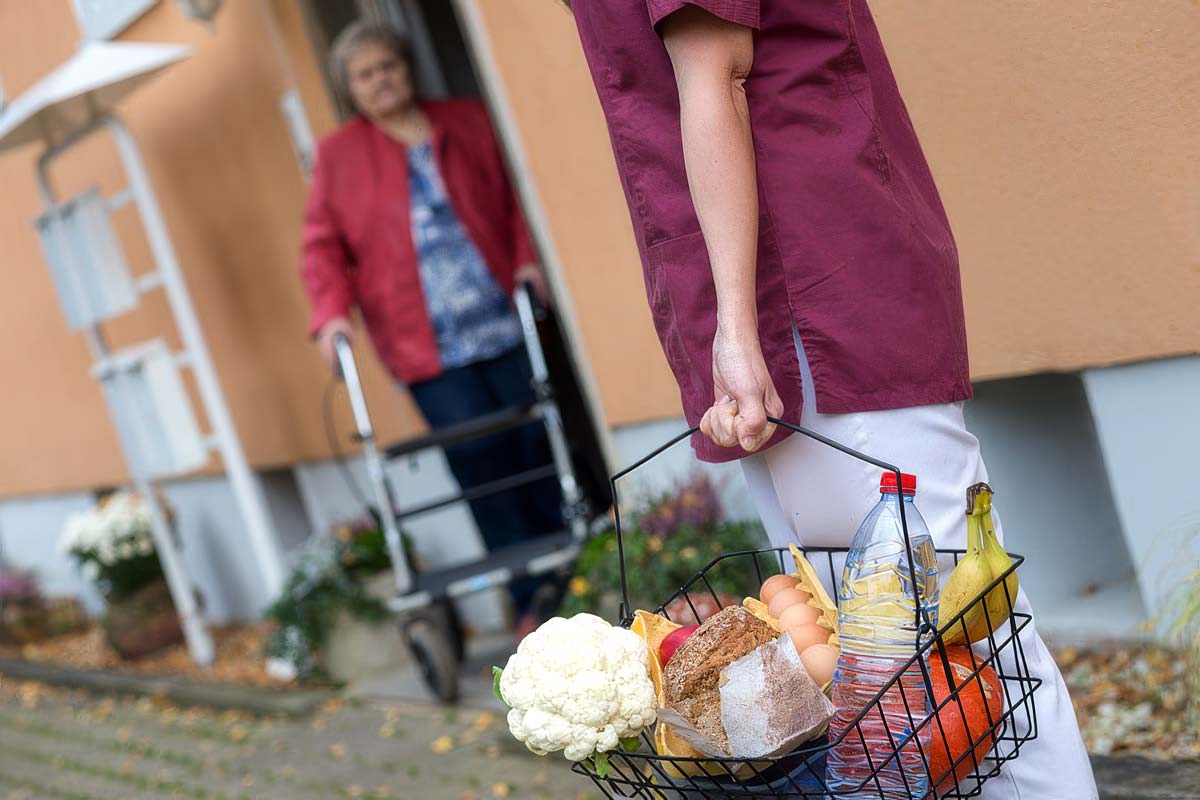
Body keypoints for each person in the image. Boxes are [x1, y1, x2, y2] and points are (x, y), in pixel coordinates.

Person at [568, 1, 1097, 797]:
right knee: (869, 678)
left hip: (807, 299)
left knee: (960, 658)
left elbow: (718, 69)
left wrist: (737, 330)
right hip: (767, 303)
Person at [300, 21, 562, 636]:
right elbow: (322, 247)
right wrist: (331, 315)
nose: (380, 79)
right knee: (478, 459)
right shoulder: (339, 157)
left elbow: (512, 198)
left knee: (535, 443)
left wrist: (528, 257)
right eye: (365, 74)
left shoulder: (465, 120)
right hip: (425, 343)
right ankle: (530, 598)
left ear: (408, 68)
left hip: (500, 317)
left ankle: (567, 574)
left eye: (388, 65)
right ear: (349, 89)